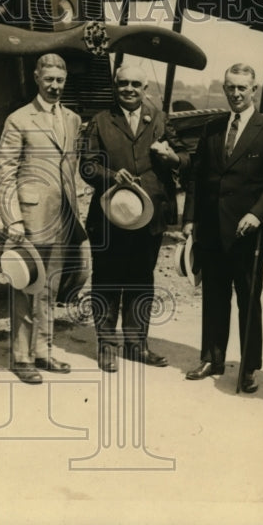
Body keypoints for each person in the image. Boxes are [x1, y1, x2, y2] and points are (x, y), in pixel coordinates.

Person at [181, 63, 263, 393]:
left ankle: (248, 367)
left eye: (243, 88)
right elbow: (197, 178)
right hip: (212, 230)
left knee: (248, 301)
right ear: (224, 88)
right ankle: (212, 358)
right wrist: (190, 219)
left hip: (249, 235)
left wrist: (258, 214)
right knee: (214, 298)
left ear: (254, 90)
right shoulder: (212, 127)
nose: (236, 93)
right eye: (231, 87)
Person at [79, 63, 189, 372]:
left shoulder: (159, 119)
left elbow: (185, 156)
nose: (129, 88)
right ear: (116, 86)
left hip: (150, 216)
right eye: (123, 83)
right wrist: (113, 176)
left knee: (141, 280)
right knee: (107, 281)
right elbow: (86, 166)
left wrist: (173, 158)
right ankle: (106, 347)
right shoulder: (100, 122)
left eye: (135, 84)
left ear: (145, 88)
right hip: (111, 215)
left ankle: (137, 344)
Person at [0, 53, 87, 383]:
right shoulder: (19, 119)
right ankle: (21, 358)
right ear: (37, 78)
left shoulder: (73, 120)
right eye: (48, 79)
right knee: (26, 285)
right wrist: (13, 220)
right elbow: (4, 174)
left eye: (60, 80)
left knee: (50, 287)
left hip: (62, 218)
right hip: (30, 219)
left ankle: (44, 352)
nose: (54, 86)